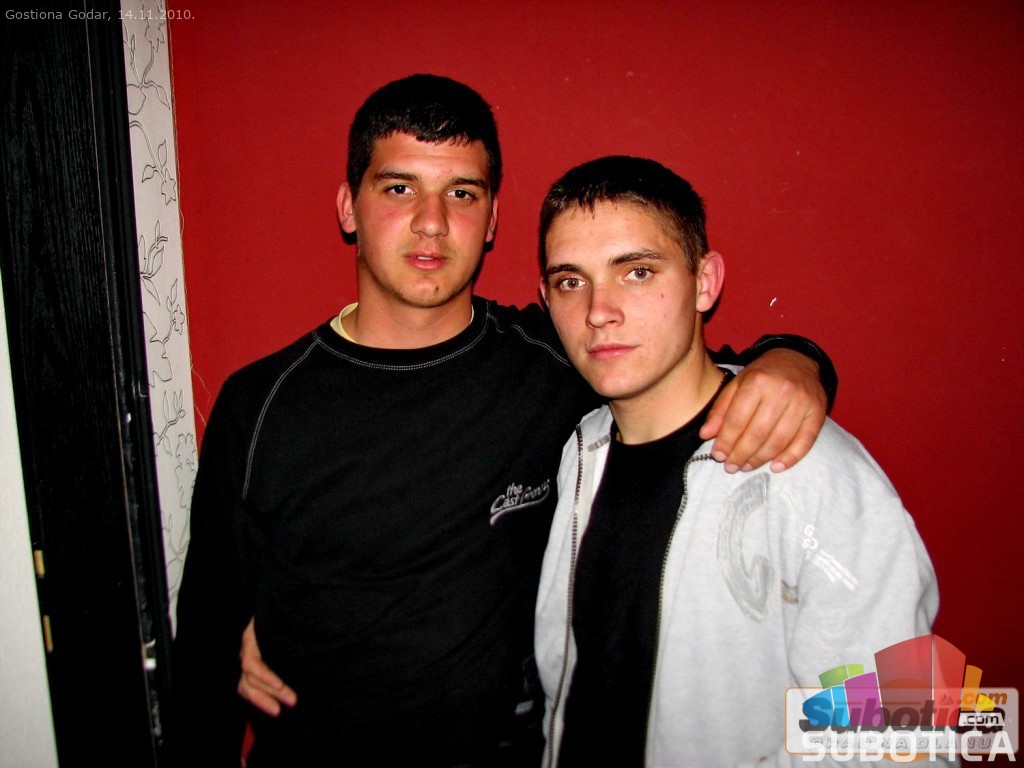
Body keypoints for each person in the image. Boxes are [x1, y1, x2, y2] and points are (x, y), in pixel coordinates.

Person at [171, 76, 836, 766]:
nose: (432, 222)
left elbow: (688, 365)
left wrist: (797, 361)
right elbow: (204, 652)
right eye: (399, 188)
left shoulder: (560, 359)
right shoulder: (262, 405)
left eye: (462, 193)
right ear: (349, 208)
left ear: (491, 220)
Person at [533, 156, 937, 767]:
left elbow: (903, 738)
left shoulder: (810, 472)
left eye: (637, 272)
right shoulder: (580, 452)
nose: (598, 310)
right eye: (570, 281)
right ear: (545, 299)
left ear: (704, 282)